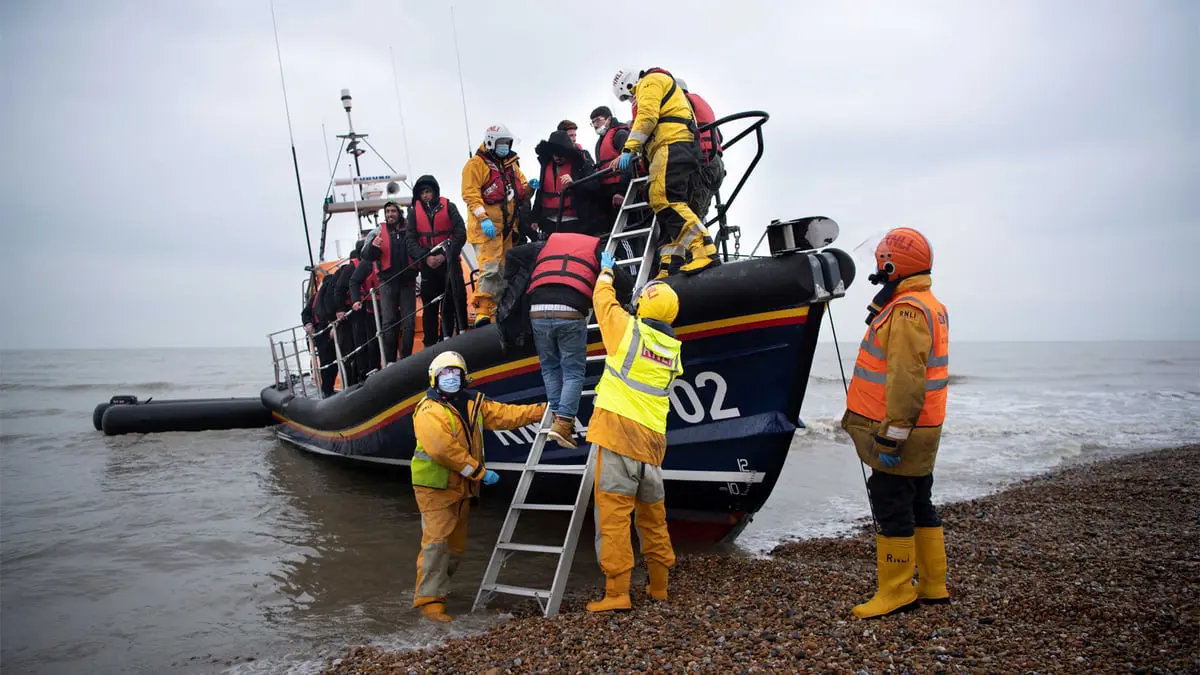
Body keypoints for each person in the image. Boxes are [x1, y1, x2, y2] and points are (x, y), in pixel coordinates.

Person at [842, 227, 950, 619]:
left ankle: (896, 590)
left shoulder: (907, 313)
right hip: (926, 426)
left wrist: (891, 437)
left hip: (902, 429)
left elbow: (906, 379)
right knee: (920, 499)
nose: (877, 266)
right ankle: (934, 585)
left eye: (881, 260)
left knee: (890, 501)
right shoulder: (926, 303)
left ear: (893, 264)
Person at [411, 351, 547, 622]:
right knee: (436, 543)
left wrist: (542, 411)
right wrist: (478, 472)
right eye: (445, 374)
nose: (451, 378)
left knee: (455, 547)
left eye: (455, 373)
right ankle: (429, 601)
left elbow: (505, 416)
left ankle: (440, 589)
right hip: (436, 486)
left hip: (462, 486)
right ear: (434, 379)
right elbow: (441, 449)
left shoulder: (473, 403)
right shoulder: (428, 410)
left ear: (464, 376)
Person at [585, 255, 683, 612]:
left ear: (642, 304)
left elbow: (602, 303)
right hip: (653, 448)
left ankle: (616, 594)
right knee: (654, 520)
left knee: (613, 520)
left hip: (617, 440)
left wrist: (607, 272)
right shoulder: (673, 352)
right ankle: (659, 587)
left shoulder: (627, 331)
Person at [610, 67, 719, 278]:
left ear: (629, 84)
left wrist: (628, 148)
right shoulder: (657, 83)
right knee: (663, 206)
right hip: (670, 146)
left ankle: (703, 249)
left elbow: (647, 116)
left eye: (627, 95)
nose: (631, 100)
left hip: (671, 144)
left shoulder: (650, 82)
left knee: (664, 199)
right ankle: (672, 263)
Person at [462, 123, 533, 327]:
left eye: (507, 143)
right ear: (492, 142)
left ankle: (498, 310)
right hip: (486, 229)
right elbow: (470, 194)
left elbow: (521, 191)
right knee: (490, 268)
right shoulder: (476, 165)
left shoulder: (511, 165)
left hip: (507, 230)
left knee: (504, 269)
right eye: (502, 142)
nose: (505, 146)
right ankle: (483, 311)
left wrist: (531, 189)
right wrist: (483, 219)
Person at [405, 174, 468, 347]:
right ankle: (431, 344)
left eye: (428, 192)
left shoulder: (450, 207)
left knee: (455, 299)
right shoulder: (413, 214)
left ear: (435, 192)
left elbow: (461, 233)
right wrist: (426, 258)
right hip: (428, 265)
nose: (425, 196)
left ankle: (455, 336)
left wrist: (444, 255)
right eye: (422, 193)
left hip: (449, 262)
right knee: (430, 306)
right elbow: (410, 241)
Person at [361, 201, 418, 362]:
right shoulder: (378, 232)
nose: (390, 214)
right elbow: (366, 255)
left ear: (399, 213)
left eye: (393, 211)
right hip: (387, 282)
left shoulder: (410, 229)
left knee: (409, 322)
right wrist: (374, 246)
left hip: (408, 281)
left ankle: (407, 357)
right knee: (389, 323)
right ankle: (390, 360)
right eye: (387, 212)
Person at [674, 78, 725, 224]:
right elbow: (719, 136)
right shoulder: (701, 104)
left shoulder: (682, 103)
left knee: (690, 218)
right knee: (699, 214)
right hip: (716, 164)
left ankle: (698, 246)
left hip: (701, 163)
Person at [532, 130, 601, 236]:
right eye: (555, 153)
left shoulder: (581, 164)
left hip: (574, 222)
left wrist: (575, 184)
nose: (558, 157)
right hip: (549, 222)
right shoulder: (546, 165)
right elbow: (540, 192)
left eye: (561, 154)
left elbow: (594, 187)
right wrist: (535, 218)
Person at [347, 234, 384, 378]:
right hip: (371, 307)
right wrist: (355, 301)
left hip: (394, 303)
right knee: (373, 340)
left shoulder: (394, 257)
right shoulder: (365, 264)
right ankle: (373, 370)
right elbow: (353, 282)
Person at [302, 272, 337, 397]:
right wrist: (308, 324)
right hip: (324, 331)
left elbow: (305, 313)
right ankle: (327, 389)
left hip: (324, 331)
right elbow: (306, 313)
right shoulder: (320, 296)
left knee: (329, 362)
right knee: (330, 361)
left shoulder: (317, 296)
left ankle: (327, 389)